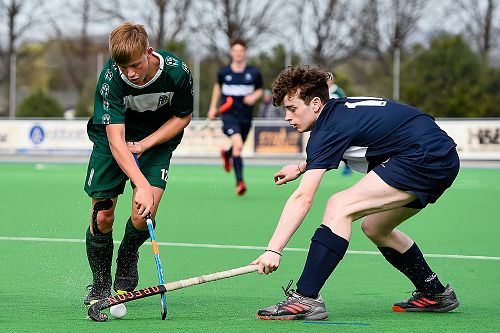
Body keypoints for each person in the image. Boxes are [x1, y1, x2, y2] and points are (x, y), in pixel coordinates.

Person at [251, 65, 460, 320]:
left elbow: (303, 198)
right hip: (436, 153)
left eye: (292, 108)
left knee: (340, 206)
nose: (287, 117)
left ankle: (306, 298)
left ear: (316, 103)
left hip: (423, 157)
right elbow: (358, 138)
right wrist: (301, 167)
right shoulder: (337, 112)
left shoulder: (328, 128)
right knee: (375, 227)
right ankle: (434, 292)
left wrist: (274, 249)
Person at [83, 22, 193, 306]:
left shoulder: (177, 73)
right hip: (114, 140)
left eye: (135, 65)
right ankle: (100, 285)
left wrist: (145, 145)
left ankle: (128, 254)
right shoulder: (111, 79)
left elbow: (182, 116)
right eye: (123, 67)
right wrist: (140, 183)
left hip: (156, 141)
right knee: (102, 216)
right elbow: (117, 141)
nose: (130, 73)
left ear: (148, 52)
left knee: (143, 214)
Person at [208, 39, 263, 196]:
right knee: (238, 146)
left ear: (244, 53)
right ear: (232, 53)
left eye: (241, 51)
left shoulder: (254, 73)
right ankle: (240, 183)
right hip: (229, 115)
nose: (238, 54)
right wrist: (213, 107)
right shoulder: (224, 73)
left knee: (237, 148)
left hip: (245, 116)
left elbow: (259, 90)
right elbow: (217, 87)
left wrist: (254, 97)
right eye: (235, 51)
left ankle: (227, 154)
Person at [326, 71, 351, 176]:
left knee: (342, 144)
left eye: (329, 77)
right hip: (326, 123)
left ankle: (347, 165)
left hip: (338, 122)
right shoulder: (322, 91)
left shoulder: (338, 91)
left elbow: (345, 104)